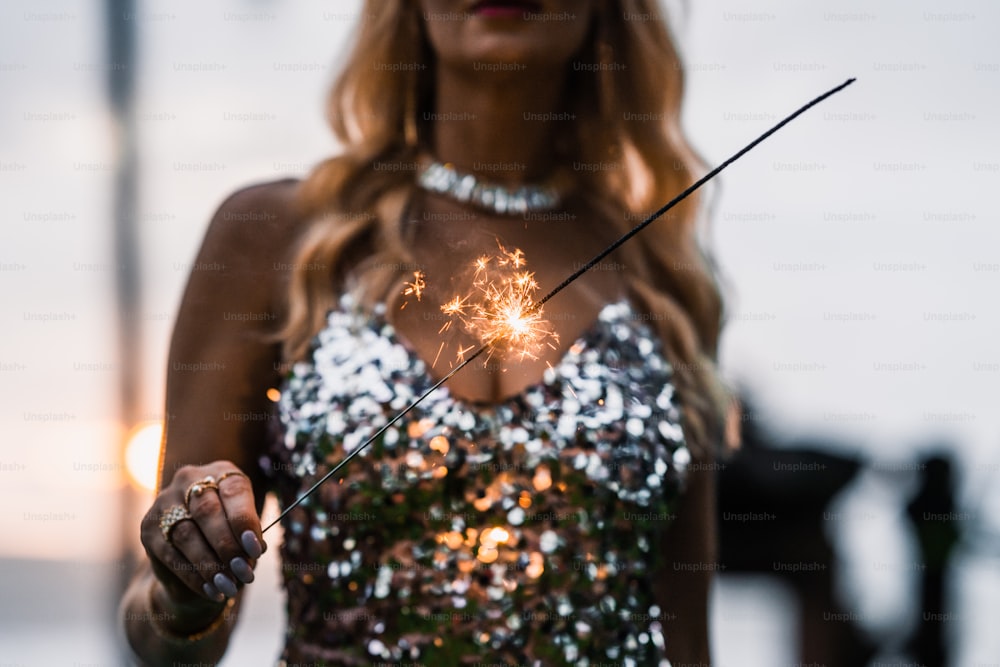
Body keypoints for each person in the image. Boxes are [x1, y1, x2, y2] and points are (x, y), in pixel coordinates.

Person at [119, 0, 734, 664]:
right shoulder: (273, 240)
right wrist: (183, 593)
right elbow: (167, 641)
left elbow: (690, 644)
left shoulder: (661, 279)